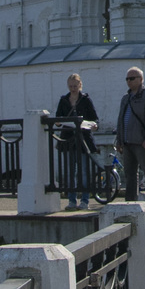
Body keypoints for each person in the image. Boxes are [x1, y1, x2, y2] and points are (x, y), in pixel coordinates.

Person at [53, 74, 99, 210]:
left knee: (84, 171)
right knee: (69, 171)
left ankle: (85, 200)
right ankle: (72, 201)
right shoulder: (64, 100)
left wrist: (94, 125)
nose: (73, 89)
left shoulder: (86, 100)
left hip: (83, 139)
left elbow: (95, 119)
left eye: (75, 86)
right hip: (68, 139)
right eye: (70, 86)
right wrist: (58, 122)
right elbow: (58, 118)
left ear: (80, 85)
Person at [115, 68, 145, 202]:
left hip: (141, 141)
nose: (129, 81)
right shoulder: (126, 98)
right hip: (127, 142)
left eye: (132, 78)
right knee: (129, 174)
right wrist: (119, 140)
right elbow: (120, 120)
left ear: (141, 79)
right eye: (127, 79)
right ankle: (131, 202)